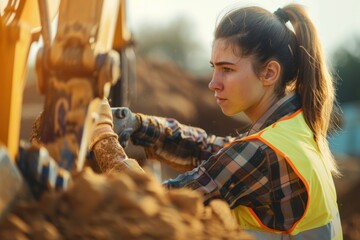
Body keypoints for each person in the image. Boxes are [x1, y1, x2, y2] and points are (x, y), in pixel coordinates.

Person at [89, 3, 343, 239]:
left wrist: (104, 139)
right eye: (214, 67)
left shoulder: (264, 152)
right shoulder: (296, 130)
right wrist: (136, 125)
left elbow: (155, 203)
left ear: (269, 72)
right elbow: (214, 150)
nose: (213, 83)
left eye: (227, 69)